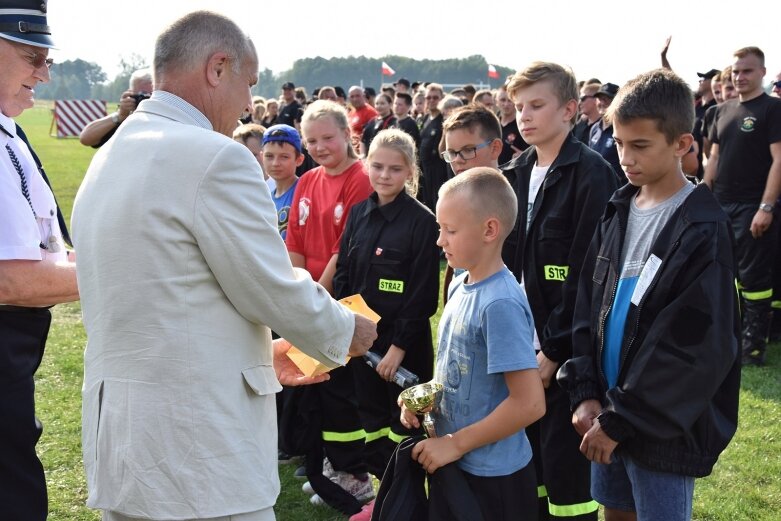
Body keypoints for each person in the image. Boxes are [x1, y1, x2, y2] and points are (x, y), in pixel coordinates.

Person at [71, 12, 377, 521]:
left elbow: (172, 293)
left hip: (126, 445)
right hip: (200, 450)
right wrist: (346, 330)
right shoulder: (215, 157)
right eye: (247, 84)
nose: (246, 105)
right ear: (218, 68)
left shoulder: (111, 155)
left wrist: (261, 350)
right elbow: (269, 285)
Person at [558, 68, 741, 521]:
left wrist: (623, 419)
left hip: (660, 427)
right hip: (606, 410)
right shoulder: (618, 208)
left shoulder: (702, 228)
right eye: (619, 143)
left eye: (640, 145)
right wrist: (584, 392)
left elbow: (691, 348)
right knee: (615, 511)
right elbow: (588, 305)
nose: (625, 157)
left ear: (682, 144)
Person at [502, 61, 618, 521]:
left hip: (566, 354)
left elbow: (587, 275)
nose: (524, 116)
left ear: (570, 109)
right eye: (518, 107)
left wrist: (554, 349)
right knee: (524, 467)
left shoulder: (592, 174)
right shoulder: (514, 170)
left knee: (566, 476)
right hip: (515, 344)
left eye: (536, 105)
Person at [401, 167, 546, 520]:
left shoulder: (500, 304)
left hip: (494, 479)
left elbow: (529, 404)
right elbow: (459, 369)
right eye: (440, 229)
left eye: (450, 230)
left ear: (489, 230)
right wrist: (426, 400)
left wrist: (455, 444)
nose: (440, 240)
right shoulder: (458, 284)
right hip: (454, 463)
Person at [333, 129, 439, 521]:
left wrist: (398, 348)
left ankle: (410, 508)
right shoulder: (359, 213)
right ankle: (385, 503)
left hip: (403, 356)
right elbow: (344, 274)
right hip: (363, 350)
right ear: (365, 163)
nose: (384, 175)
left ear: (410, 171)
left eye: (395, 169)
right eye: (377, 166)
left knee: (407, 435)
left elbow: (424, 294)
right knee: (373, 428)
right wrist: (347, 331)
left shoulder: (422, 222)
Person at [0, 3, 80, 519]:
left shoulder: (12, 129)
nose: (44, 72)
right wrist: (133, 269)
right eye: (32, 55)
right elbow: (10, 281)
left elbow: (47, 246)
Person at [285, 99, 375, 506]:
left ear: (347, 136)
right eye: (312, 140)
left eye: (328, 138)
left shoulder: (361, 178)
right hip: (311, 299)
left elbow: (345, 249)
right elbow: (296, 245)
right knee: (317, 387)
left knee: (342, 390)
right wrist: (296, 295)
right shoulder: (307, 180)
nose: (320, 147)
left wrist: (313, 301)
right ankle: (330, 465)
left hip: (344, 301)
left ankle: (354, 473)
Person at [703, 46, 781, 366]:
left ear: (762, 73)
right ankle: (728, 335)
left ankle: (753, 345)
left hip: (753, 206)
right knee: (723, 273)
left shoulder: (772, 109)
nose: (739, 77)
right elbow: (714, 159)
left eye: (747, 71)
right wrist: (702, 196)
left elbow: (779, 160)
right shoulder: (722, 111)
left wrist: (766, 206)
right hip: (721, 204)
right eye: (736, 71)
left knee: (754, 278)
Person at [79, 68, 153, 148]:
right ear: (130, 94)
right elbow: (85, 138)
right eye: (142, 95)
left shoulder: (167, 116)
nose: (146, 99)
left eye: (151, 95)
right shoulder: (124, 120)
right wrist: (120, 116)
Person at [262, 124, 304, 239]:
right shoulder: (265, 197)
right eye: (269, 156)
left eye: (284, 157)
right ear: (262, 157)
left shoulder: (305, 192)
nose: (275, 163)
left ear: (299, 159)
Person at [418, 83, 449, 212]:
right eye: (428, 97)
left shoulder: (444, 120)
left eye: (435, 97)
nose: (431, 100)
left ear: (442, 99)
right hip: (425, 171)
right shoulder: (426, 118)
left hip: (438, 171)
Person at [589, 82, 624, 181]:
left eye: (607, 99)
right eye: (600, 99)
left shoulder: (623, 129)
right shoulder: (594, 128)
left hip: (617, 190)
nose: (602, 103)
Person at [496, 84, 527, 164]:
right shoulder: (491, 124)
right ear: (496, 102)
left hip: (513, 174)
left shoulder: (523, 125)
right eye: (503, 100)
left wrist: (525, 156)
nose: (506, 104)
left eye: (510, 100)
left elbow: (531, 153)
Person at [360, 92, 396, 157]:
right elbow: (363, 140)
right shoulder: (371, 121)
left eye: (382, 103)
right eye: (377, 103)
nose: (379, 106)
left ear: (390, 104)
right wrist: (363, 155)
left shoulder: (394, 122)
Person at [347, 86, 378, 155]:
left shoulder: (371, 113)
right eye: (352, 97)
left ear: (363, 96)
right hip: (352, 151)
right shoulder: (351, 113)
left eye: (357, 96)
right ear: (349, 98)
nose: (355, 99)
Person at [573, 81, 601, 145]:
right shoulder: (579, 124)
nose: (579, 103)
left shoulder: (605, 129)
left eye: (583, 98)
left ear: (596, 99)